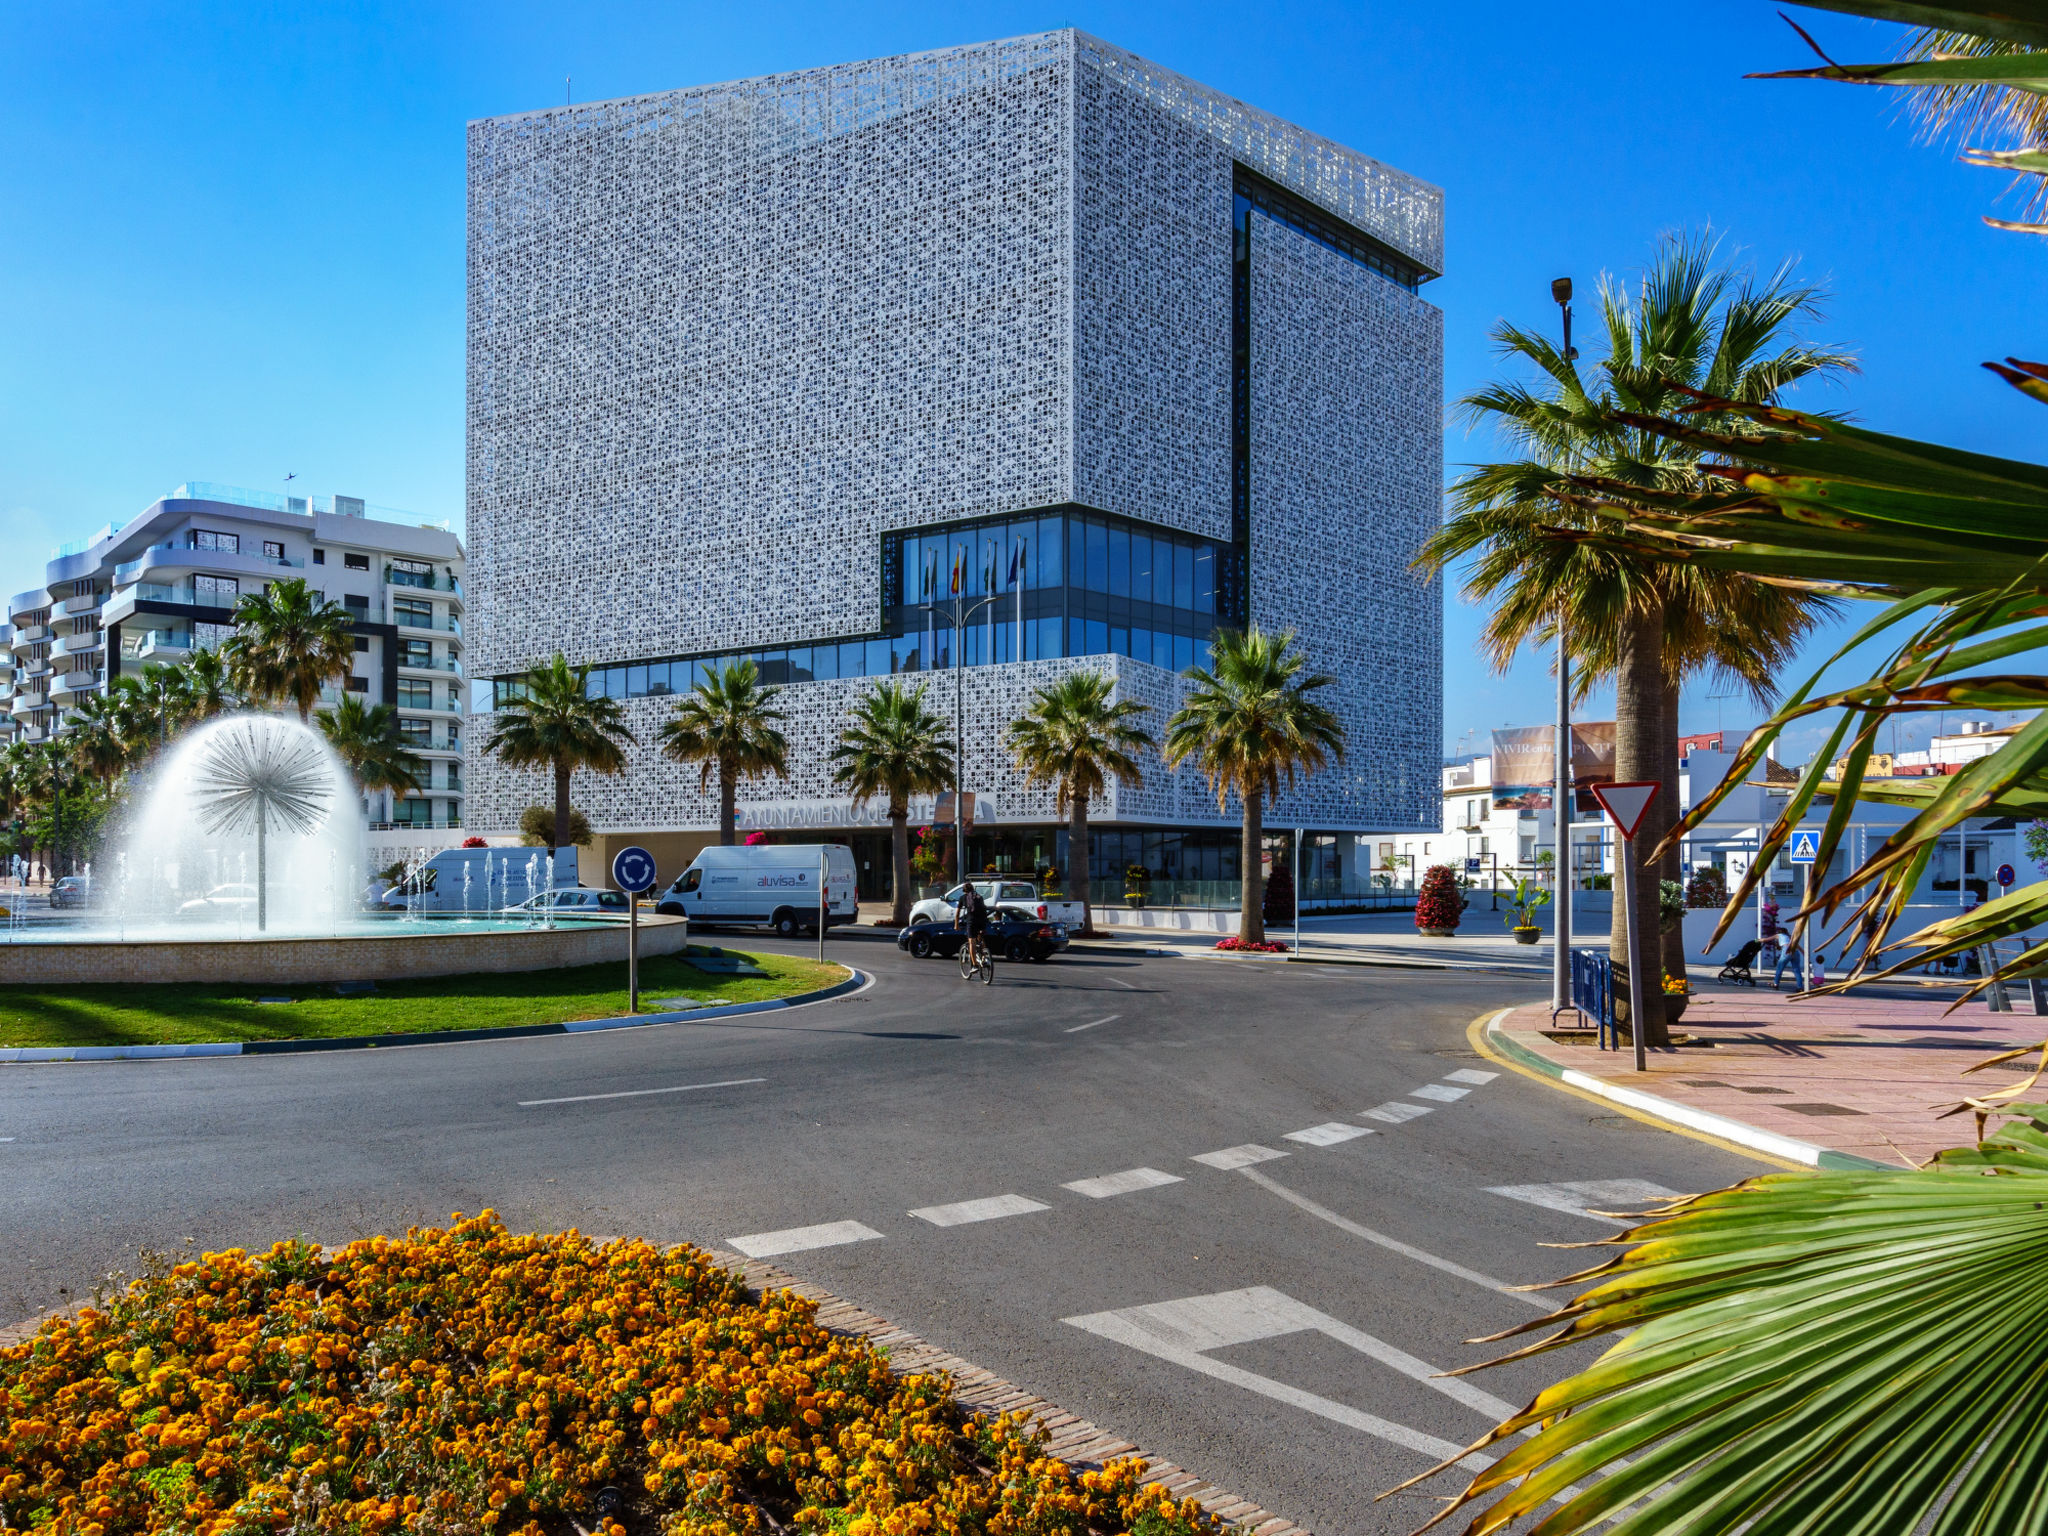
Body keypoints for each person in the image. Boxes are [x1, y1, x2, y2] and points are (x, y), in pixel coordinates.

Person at [957, 881, 991, 972]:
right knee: (980, 938)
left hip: (972, 921)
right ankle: (984, 958)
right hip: (982, 921)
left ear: (964, 891)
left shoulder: (963, 898)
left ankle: (975, 965)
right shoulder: (979, 897)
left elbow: (957, 914)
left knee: (971, 941)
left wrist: (956, 925)